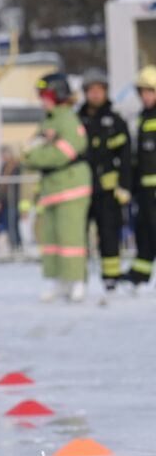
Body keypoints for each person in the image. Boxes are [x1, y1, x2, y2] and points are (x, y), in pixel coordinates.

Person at [23, 73, 92, 302]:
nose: (43, 100)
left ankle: (78, 281)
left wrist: (36, 156)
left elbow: (62, 153)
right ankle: (59, 280)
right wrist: (34, 155)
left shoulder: (68, 120)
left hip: (71, 185)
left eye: (47, 95)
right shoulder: (48, 120)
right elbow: (29, 151)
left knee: (70, 236)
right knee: (51, 237)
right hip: (51, 188)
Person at [76, 71, 132, 297]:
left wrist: (125, 186)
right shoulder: (78, 119)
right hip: (81, 188)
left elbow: (126, 156)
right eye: (92, 90)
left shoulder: (115, 120)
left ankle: (111, 278)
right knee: (77, 235)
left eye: (100, 90)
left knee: (109, 233)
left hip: (108, 190)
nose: (96, 94)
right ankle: (78, 278)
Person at [124, 65, 156, 287]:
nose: (145, 96)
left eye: (149, 91)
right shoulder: (142, 118)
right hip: (145, 189)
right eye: (142, 92)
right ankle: (140, 273)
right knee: (144, 229)